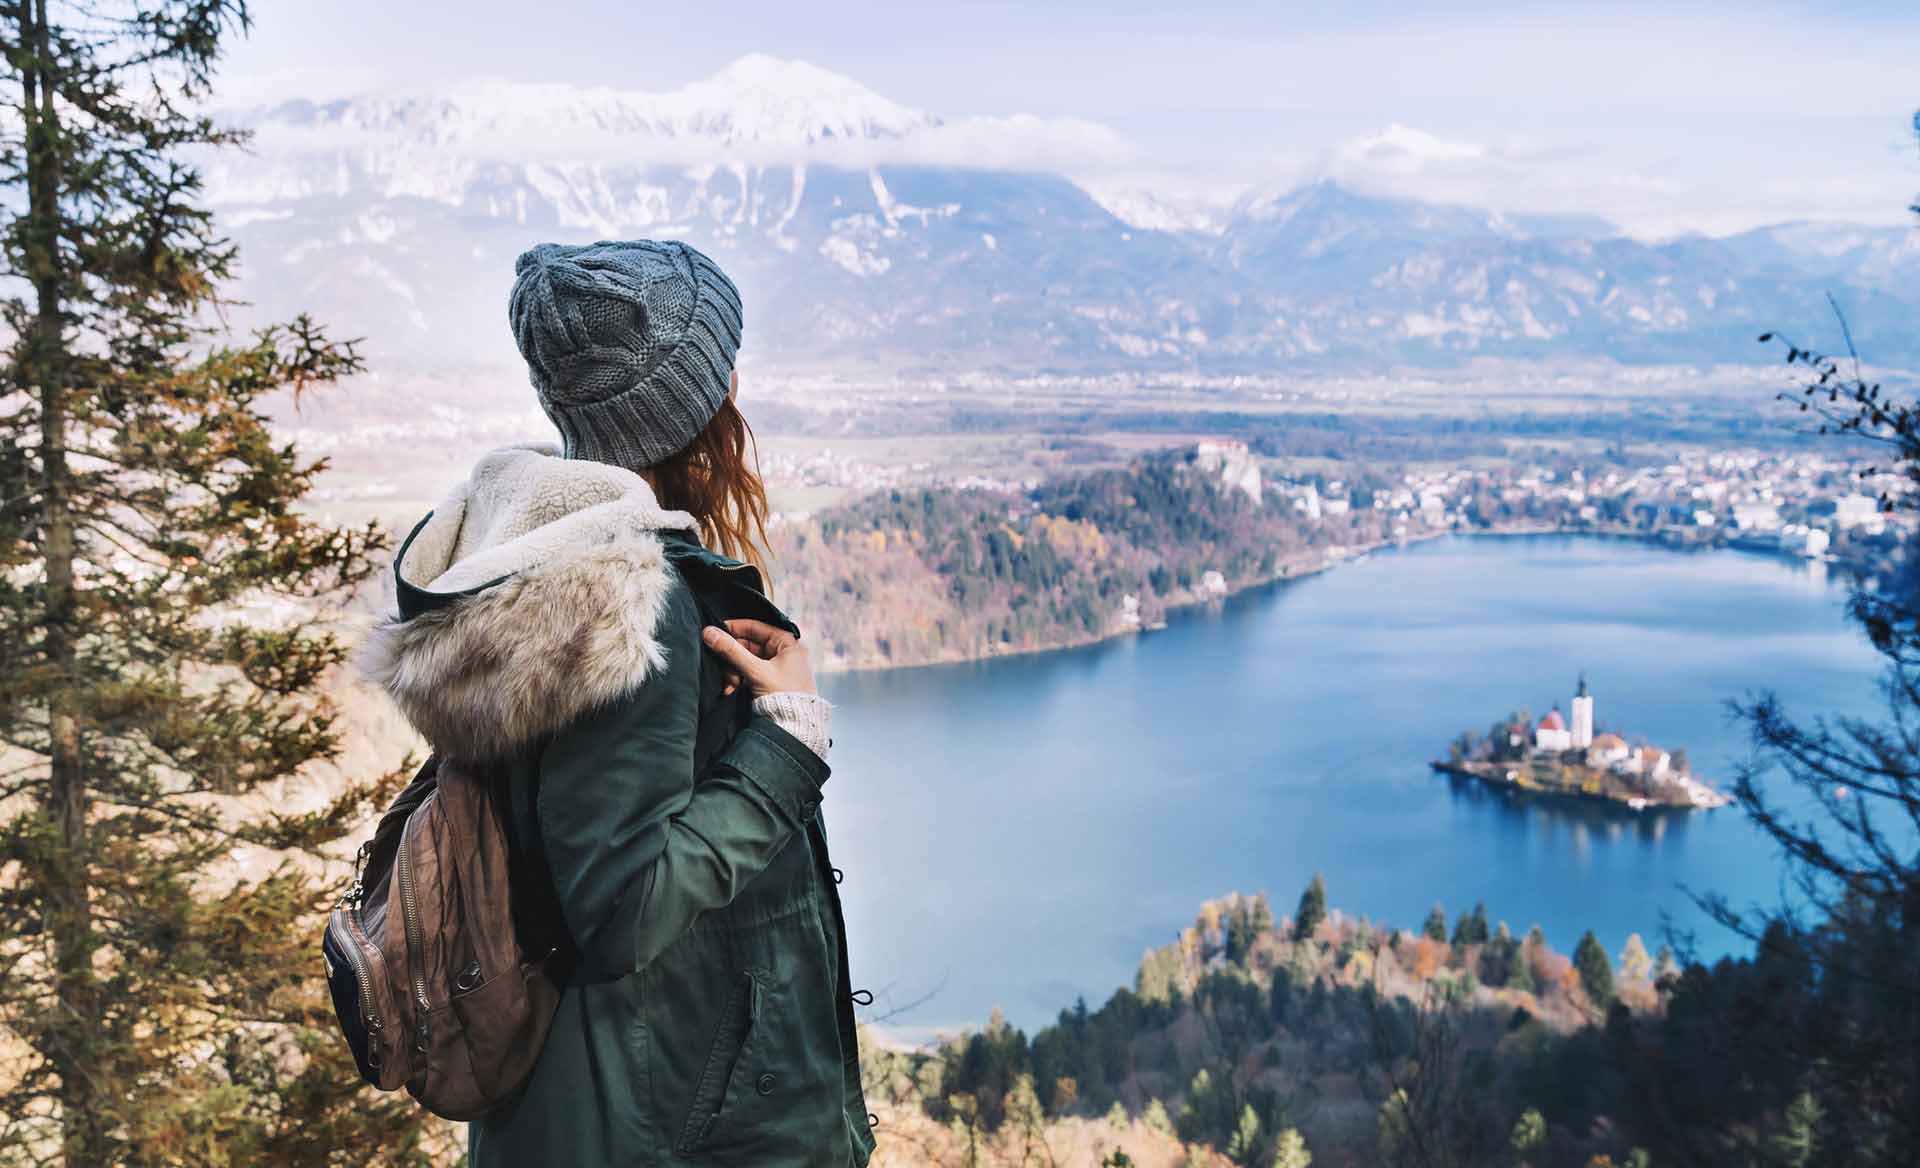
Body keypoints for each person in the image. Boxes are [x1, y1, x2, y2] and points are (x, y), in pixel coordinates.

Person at [358, 240, 874, 1165]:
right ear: (695, 406)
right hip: (665, 1126)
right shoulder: (630, 607)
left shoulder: (529, 562)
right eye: (723, 367)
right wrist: (785, 744)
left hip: (583, 1109)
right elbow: (621, 910)